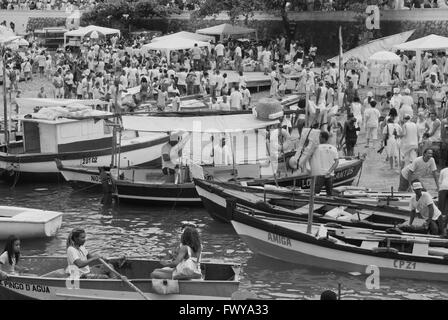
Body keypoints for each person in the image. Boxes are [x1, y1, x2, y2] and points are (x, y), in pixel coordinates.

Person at [310, 131, 339, 196]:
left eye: (320, 137)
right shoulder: (333, 148)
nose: (319, 139)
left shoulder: (316, 148)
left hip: (320, 174)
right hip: (330, 175)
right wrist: (330, 171)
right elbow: (337, 162)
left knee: (315, 194)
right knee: (329, 194)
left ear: (323, 138)